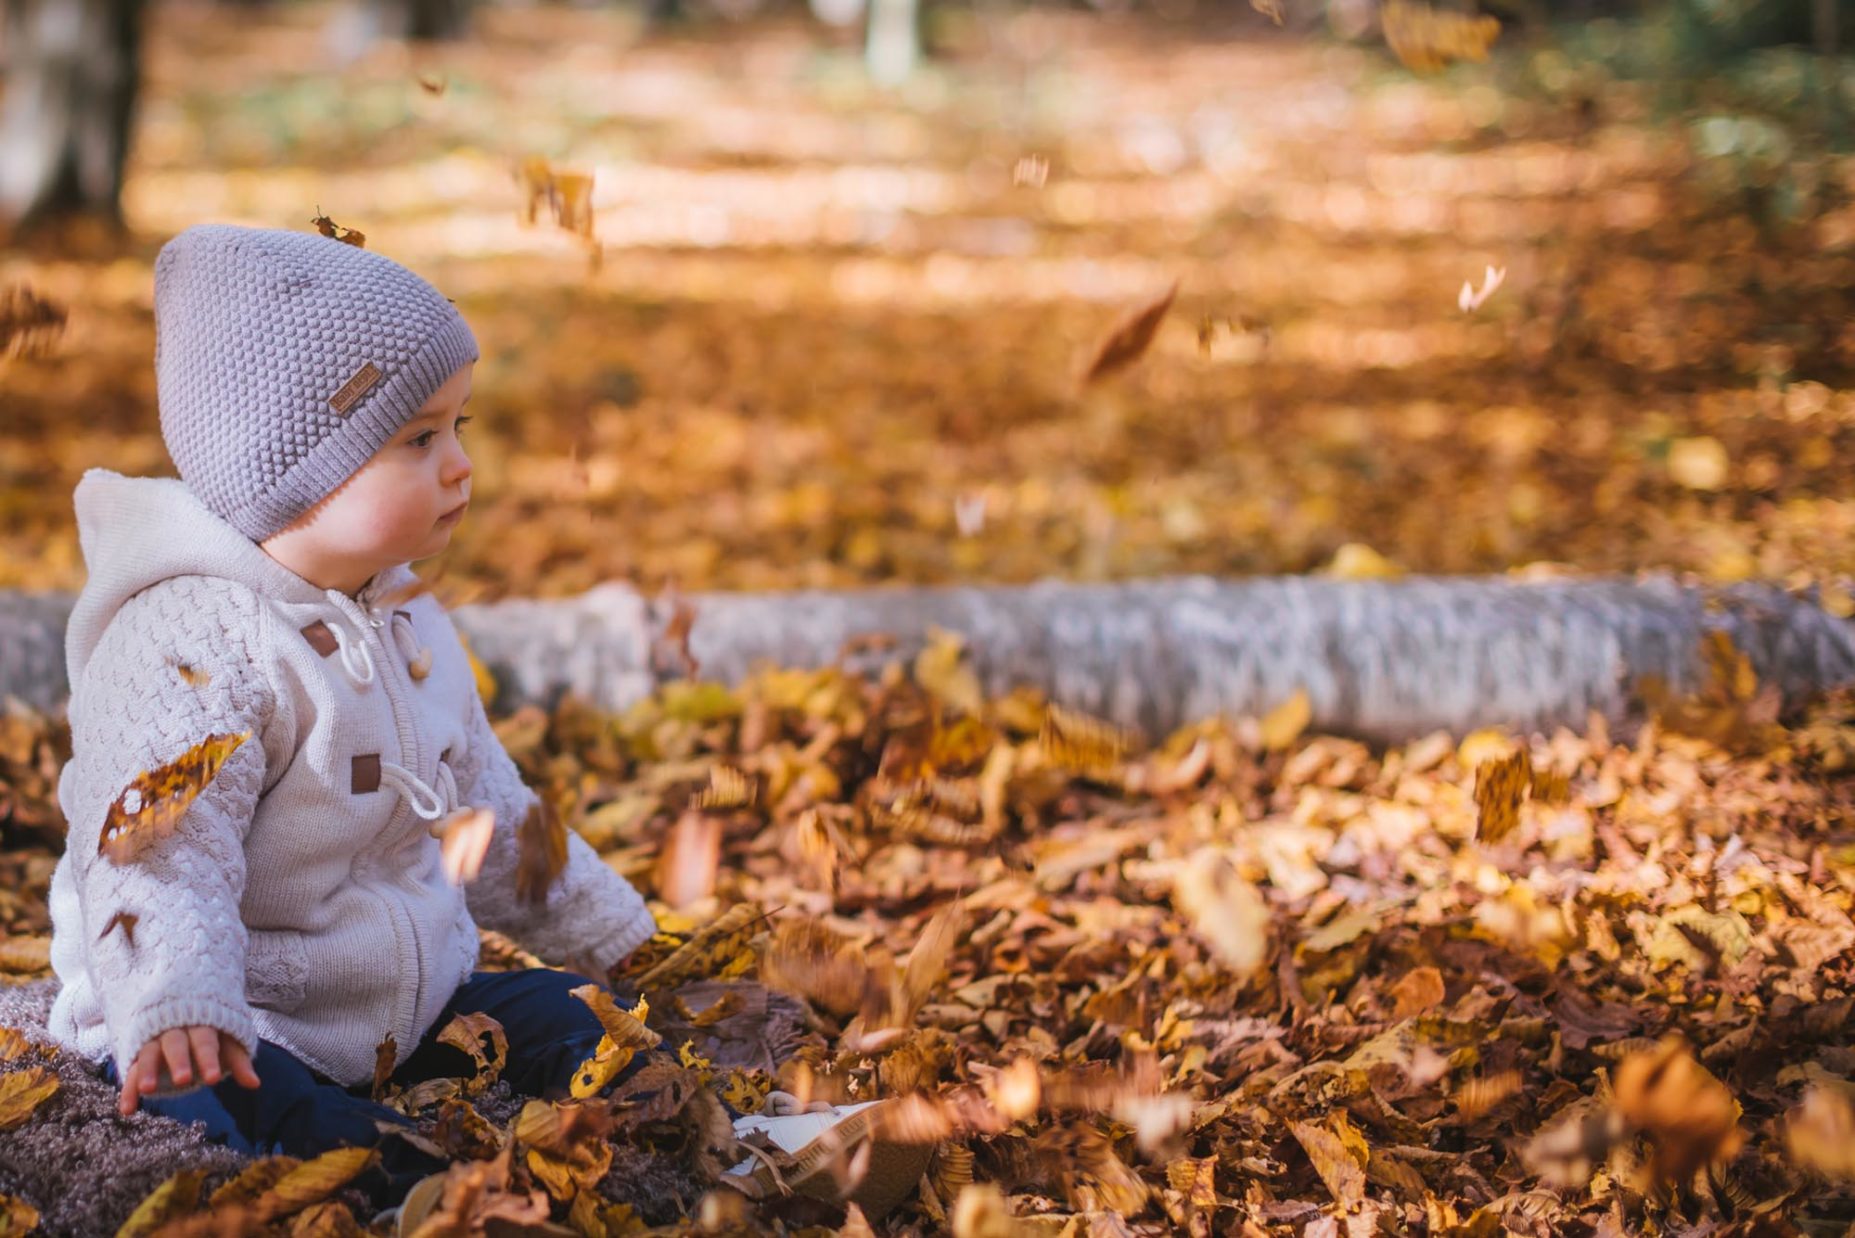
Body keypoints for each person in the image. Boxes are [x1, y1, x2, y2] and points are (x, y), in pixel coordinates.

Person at [42, 223, 925, 1225]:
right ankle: (418, 1198)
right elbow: (153, 843)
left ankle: (737, 1149)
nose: (460, 464)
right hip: (237, 1011)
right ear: (285, 470)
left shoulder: (405, 614)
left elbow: (493, 815)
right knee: (259, 1117)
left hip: (404, 1003)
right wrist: (175, 997)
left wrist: (622, 941)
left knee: (575, 1021)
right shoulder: (190, 640)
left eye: (461, 424)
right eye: (418, 438)